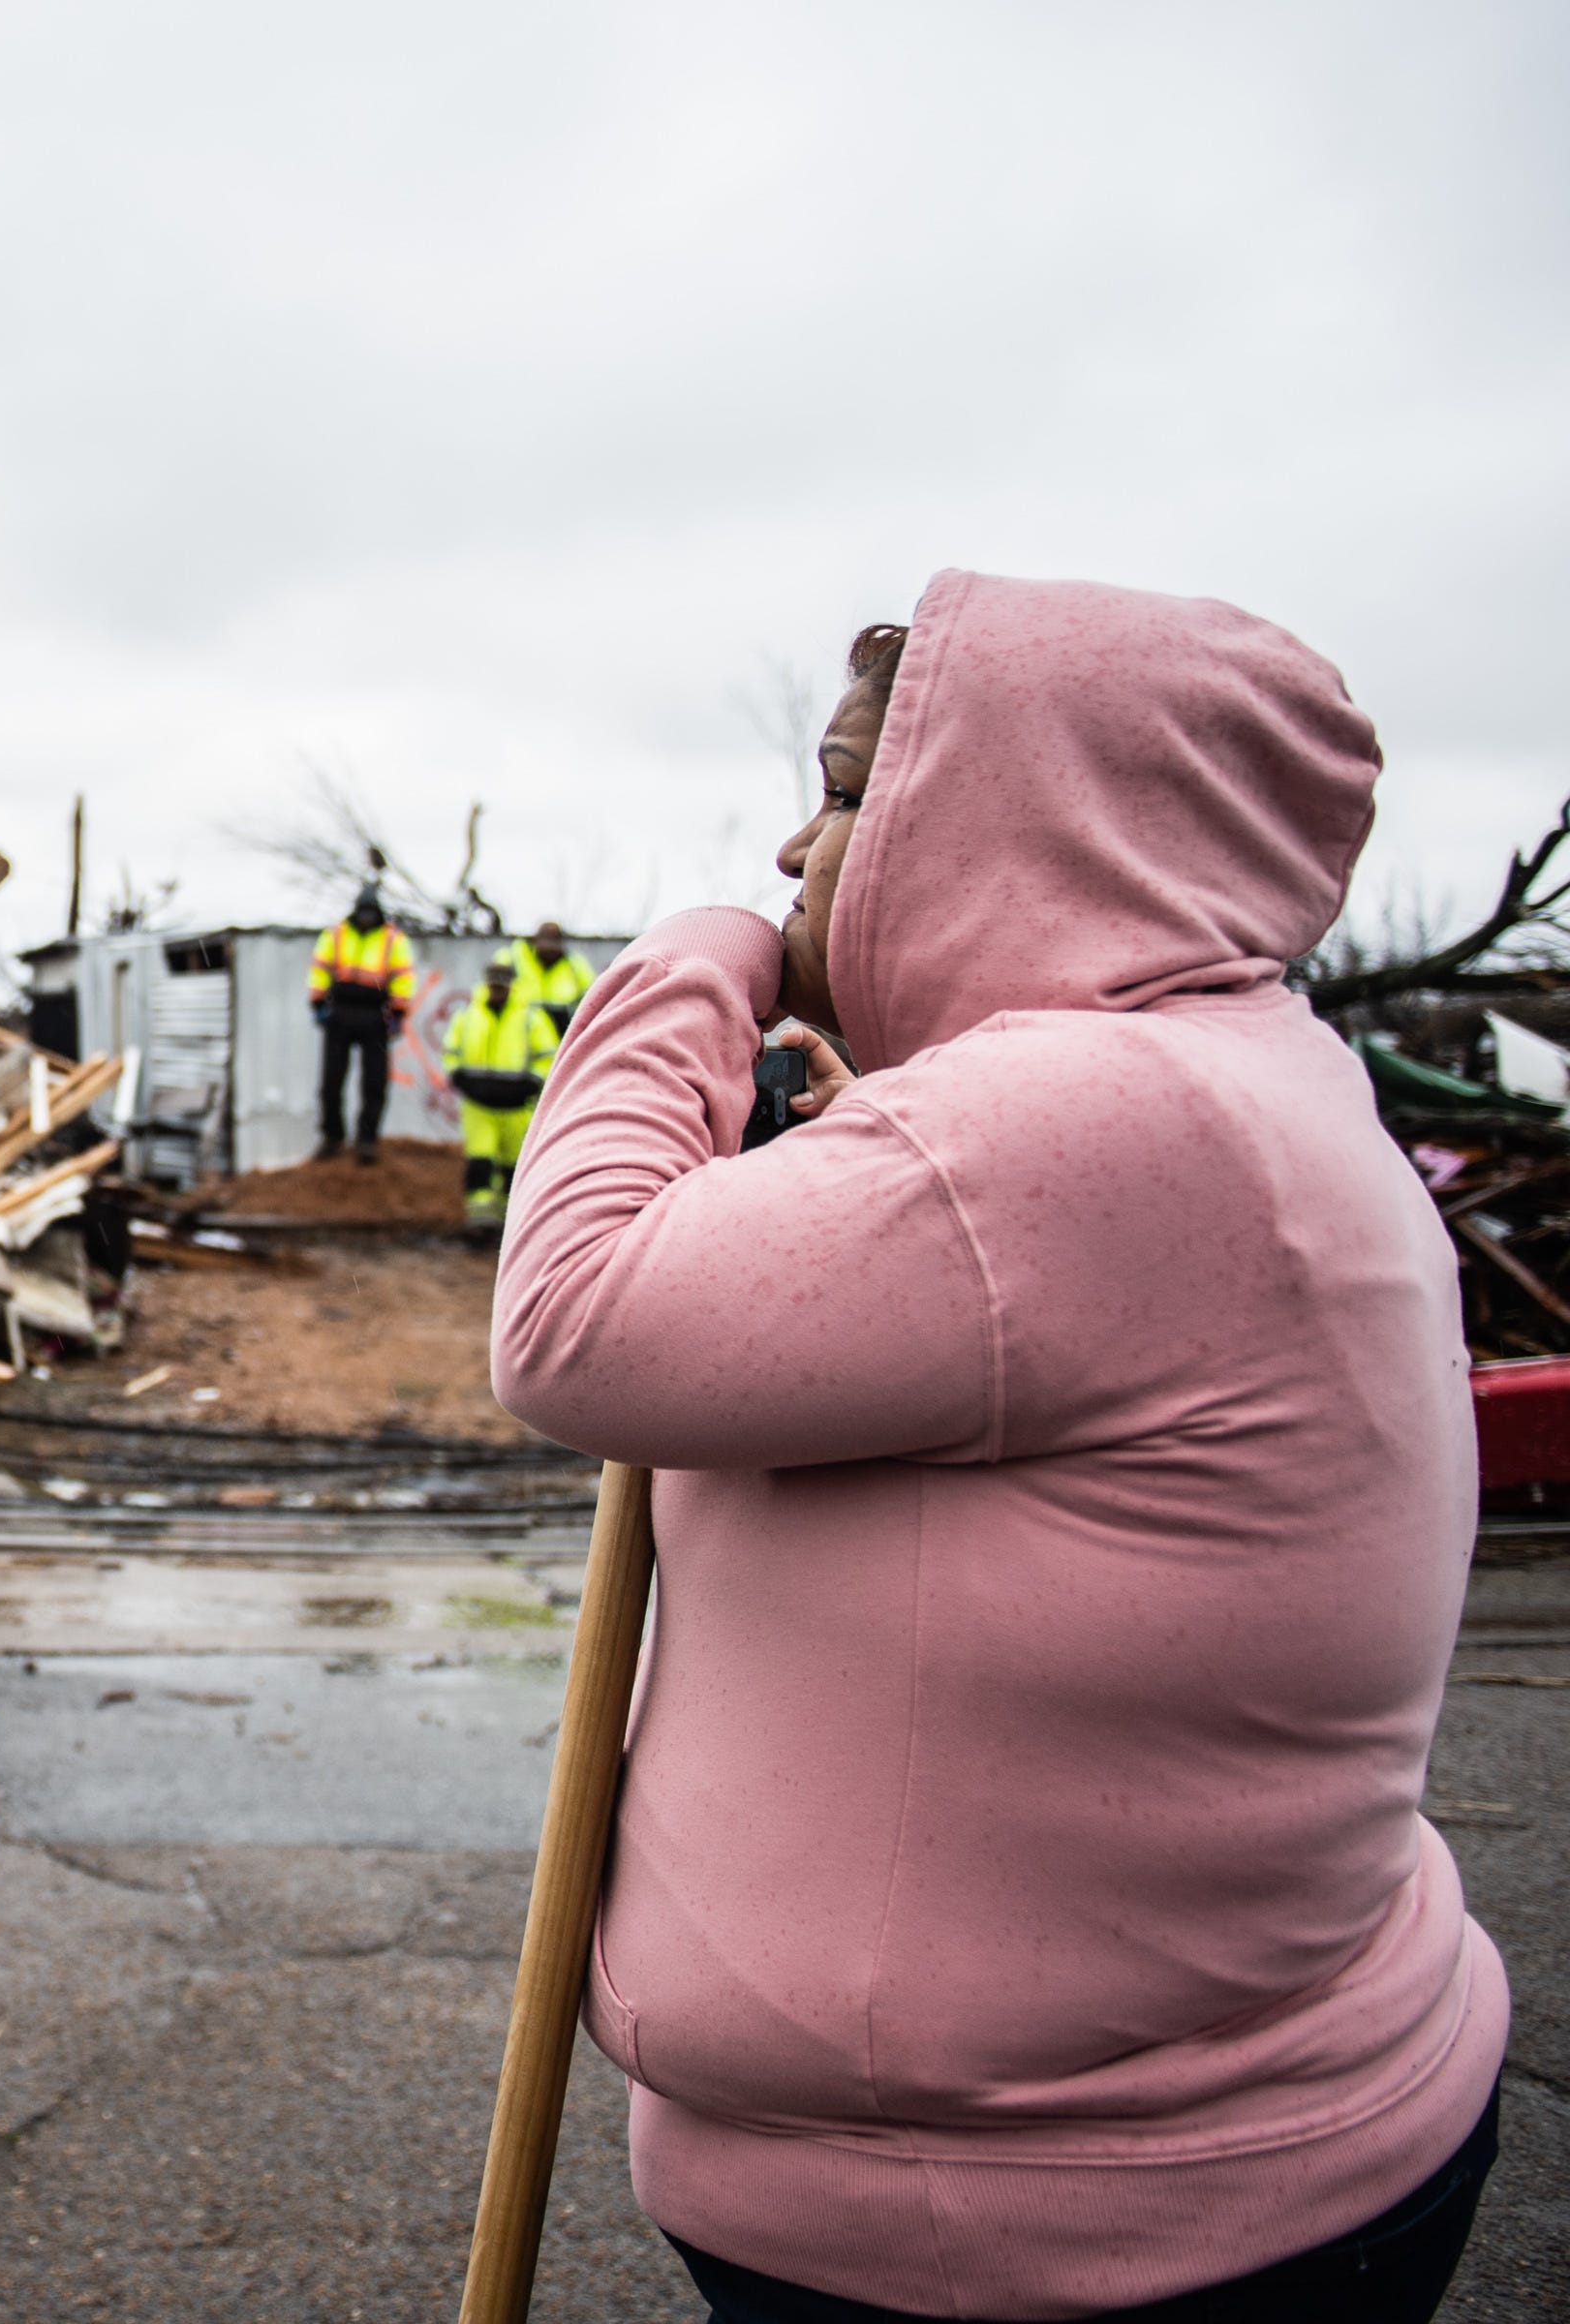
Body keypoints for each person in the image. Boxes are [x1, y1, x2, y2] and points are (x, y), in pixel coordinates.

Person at [492, 575, 1502, 2321]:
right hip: (1100, 2179)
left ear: (1038, 806)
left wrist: (692, 959)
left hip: (1077, 2243)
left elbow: (578, 1318)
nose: (799, 846)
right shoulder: (1223, 1077)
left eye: (851, 788)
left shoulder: (1099, 1114)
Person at [443, 952, 563, 1226]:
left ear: (511, 984)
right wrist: (460, 1078)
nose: (497, 989)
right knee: (480, 1163)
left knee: (516, 1168)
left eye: (502, 984)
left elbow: (548, 1056)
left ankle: (512, 1225)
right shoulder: (467, 1016)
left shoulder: (532, 1018)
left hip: (517, 1106)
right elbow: (451, 1052)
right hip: (478, 1106)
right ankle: (481, 1222)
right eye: (493, 984)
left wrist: (531, 1084)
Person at [307, 887, 411, 1161]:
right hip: (340, 1012)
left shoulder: (393, 939)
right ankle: (333, 1136)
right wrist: (318, 1003)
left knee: (374, 1082)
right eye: (362, 913)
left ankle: (366, 1141)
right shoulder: (336, 935)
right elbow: (320, 968)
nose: (366, 918)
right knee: (331, 1081)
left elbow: (402, 976)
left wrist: (398, 1013)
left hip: (374, 1014)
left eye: (371, 913)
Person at [505, 919, 593, 1029]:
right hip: (521, 1033)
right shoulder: (512, 959)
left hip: (563, 1032)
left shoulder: (576, 965)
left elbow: (592, 998)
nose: (549, 947)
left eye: (554, 940)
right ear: (535, 940)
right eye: (545, 939)